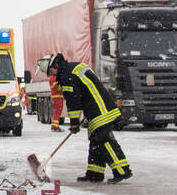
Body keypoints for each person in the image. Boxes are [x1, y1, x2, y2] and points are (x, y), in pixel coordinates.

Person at [47, 53, 133, 183]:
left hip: (99, 110)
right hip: (100, 106)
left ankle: (122, 171)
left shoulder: (66, 75)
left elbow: (73, 100)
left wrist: (74, 123)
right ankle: (94, 174)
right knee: (96, 142)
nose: (51, 75)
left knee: (104, 140)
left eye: (51, 71)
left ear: (56, 65)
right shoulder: (73, 67)